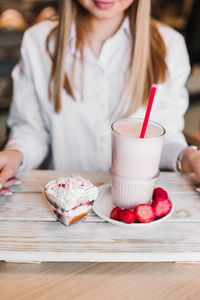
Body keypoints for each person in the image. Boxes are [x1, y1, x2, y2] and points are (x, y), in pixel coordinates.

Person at [0, 0, 200, 196]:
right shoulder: (37, 41)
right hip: (63, 203)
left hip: (132, 206)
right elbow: (32, 130)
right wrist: (14, 154)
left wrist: (189, 157)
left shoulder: (169, 45)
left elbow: (164, 138)